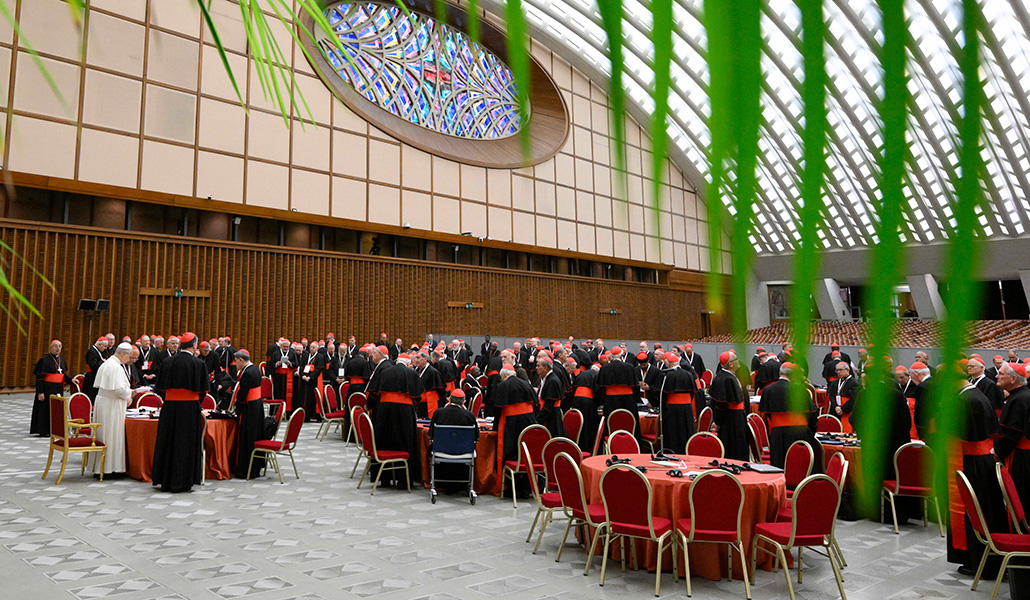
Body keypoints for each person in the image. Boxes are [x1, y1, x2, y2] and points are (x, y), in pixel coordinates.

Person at [947, 375, 1004, 577]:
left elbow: (959, 432)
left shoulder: (964, 400)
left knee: (974, 511)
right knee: (987, 509)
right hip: (981, 460)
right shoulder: (976, 394)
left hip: (971, 463)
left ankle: (977, 560)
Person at [152, 332, 208, 493]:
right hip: (189, 409)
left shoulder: (168, 362)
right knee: (185, 444)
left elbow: (160, 388)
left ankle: (165, 480)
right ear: (195, 345)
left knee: (168, 442)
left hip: (169, 408)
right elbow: (203, 391)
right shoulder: (198, 364)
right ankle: (183, 481)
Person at [364, 348, 421, 487]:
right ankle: (403, 480)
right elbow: (418, 398)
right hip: (405, 413)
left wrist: (369, 406)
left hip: (385, 412)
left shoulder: (385, 372)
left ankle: (384, 479)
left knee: (384, 441)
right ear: (408, 364)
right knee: (405, 443)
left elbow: (374, 393)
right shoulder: (412, 373)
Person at [758, 362, 819, 469]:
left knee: (779, 464)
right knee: (798, 465)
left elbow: (765, 415)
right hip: (798, 432)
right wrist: (811, 431)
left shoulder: (767, 390)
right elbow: (811, 414)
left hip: (777, 433)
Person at [491, 362, 538, 496]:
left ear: (504, 376)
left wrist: (495, 428)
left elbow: (498, 410)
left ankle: (512, 489)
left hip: (512, 425)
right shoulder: (525, 383)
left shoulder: (502, 386)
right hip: (529, 423)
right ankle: (527, 487)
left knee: (511, 453)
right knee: (526, 453)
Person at [90, 343, 135, 479]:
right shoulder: (115, 367)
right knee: (111, 435)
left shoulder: (107, 363)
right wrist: (131, 393)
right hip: (112, 406)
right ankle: (110, 469)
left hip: (105, 403)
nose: (129, 360)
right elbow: (120, 390)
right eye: (129, 356)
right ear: (123, 354)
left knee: (104, 435)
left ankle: (101, 467)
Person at [428, 389, 479, 493]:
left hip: (440, 451)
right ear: (464, 402)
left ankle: (438, 483)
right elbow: (476, 437)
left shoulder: (438, 413)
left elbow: (431, 434)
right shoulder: (469, 415)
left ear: (449, 400)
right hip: (464, 452)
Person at [995, 362, 1030, 507]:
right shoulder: (1022, 396)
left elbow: (1011, 434)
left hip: (1020, 458)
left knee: (1020, 498)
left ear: (1013, 379)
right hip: (1023, 455)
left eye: (1001, 374)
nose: (997, 376)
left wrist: (997, 452)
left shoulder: (1018, 399)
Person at [233, 350, 269, 479]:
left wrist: (236, 410)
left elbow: (242, 395)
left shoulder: (247, 373)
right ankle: (256, 467)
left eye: (236, 361)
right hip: (256, 406)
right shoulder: (255, 369)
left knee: (247, 437)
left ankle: (245, 469)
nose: (235, 363)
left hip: (249, 409)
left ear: (241, 360)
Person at [708, 351, 749, 461]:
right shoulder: (727, 379)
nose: (738, 361)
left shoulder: (728, 376)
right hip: (732, 419)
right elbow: (722, 404)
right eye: (736, 360)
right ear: (731, 364)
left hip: (736, 416)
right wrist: (717, 422)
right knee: (734, 446)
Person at [595, 346, 641, 439]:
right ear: (621, 355)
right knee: (629, 423)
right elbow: (636, 386)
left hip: (611, 401)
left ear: (611, 357)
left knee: (612, 423)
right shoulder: (629, 367)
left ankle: (611, 442)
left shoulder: (605, 368)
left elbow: (600, 388)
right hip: (628, 401)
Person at [658, 351, 697, 454]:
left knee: (674, 433)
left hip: (673, 410)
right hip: (687, 409)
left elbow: (663, 396)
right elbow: (693, 394)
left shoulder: (667, 375)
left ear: (669, 364)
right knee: (686, 431)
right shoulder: (688, 374)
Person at [31, 340, 71, 436]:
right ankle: (43, 431)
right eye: (56, 346)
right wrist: (40, 392)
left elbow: (63, 375)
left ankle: (54, 430)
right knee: (45, 409)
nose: (58, 349)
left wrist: (71, 380)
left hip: (57, 389)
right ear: (51, 347)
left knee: (56, 409)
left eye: (60, 346)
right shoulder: (44, 360)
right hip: (46, 389)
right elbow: (39, 377)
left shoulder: (61, 359)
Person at [566, 362, 600, 453]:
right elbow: (597, 391)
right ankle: (587, 448)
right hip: (587, 402)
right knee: (587, 425)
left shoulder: (582, 373)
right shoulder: (596, 375)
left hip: (577, 400)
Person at [536, 356, 566, 438]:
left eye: (538, 366)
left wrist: (538, 421)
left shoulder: (552, 380)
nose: (536, 368)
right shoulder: (547, 378)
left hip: (551, 418)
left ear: (545, 367)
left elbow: (548, 405)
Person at [827, 362, 859, 430]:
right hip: (836, 411)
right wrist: (835, 407)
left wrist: (843, 409)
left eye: (840, 370)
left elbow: (854, 399)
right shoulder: (834, 383)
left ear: (847, 370)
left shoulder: (855, 383)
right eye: (837, 370)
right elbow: (831, 396)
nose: (838, 372)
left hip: (848, 411)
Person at [414, 351, 446, 418]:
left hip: (430, 402)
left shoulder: (433, 372)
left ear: (425, 359)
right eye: (415, 358)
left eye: (418, 358)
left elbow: (441, 390)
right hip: (420, 402)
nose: (416, 360)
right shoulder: (417, 371)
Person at [269, 338, 298, 409]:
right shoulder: (276, 353)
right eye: (284, 346)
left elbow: (296, 364)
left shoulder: (292, 353)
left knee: (289, 394)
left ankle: (288, 411)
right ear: (281, 346)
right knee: (278, 392)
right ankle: (277, 410)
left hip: (289, 376)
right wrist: (277, 364)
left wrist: (290, 363)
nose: (285, 348)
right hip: (278, 376)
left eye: (287, 347)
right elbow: (270, 364)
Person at [83, 337, 107, 401]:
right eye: (105, 346)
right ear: (100, 345)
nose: (105, 348)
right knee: (91, 397)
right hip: (91, 378)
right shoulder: (92, 352)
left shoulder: (98, 351)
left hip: (95, 377)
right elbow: (93, 366)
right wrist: (103, 362)